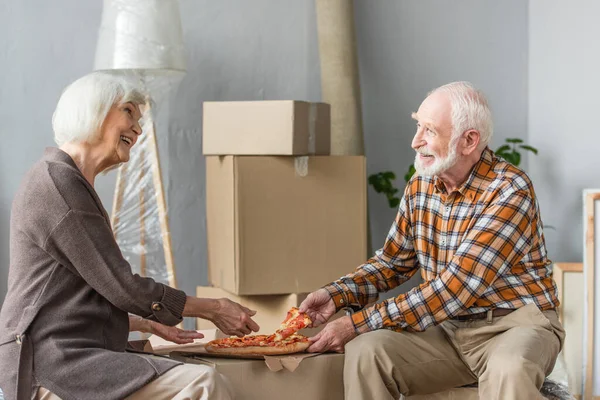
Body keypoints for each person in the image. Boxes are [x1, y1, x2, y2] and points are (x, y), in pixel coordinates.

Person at [0, 72, 260, 400]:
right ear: (93, 110)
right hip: (48, 362)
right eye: (128, 112)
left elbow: (79, 294)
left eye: (138, 119)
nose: (137, 129)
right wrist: (212, 308)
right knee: (204, 384)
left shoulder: (64, 179)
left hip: (65, 351)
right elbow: (121, 286)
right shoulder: (59, 184)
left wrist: (147, 323)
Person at [300, 81, 564, 400]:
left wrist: (356, 322)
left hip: (516, 324)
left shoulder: (510, 191)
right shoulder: (420, 186)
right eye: (418, 126)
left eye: (430, 130)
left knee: (508, 369)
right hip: (450, 327)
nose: (415, 141)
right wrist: (337, 294)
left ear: (469, 141)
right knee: (368, 352)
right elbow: (392, 263)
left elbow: (456, 287)